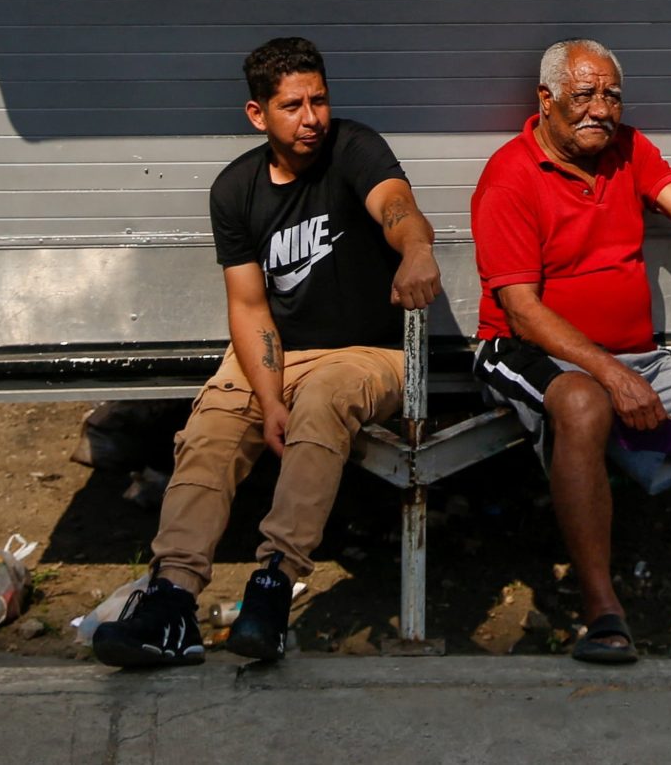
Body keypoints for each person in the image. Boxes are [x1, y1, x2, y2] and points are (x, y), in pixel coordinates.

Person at [93, 37, 439, 669]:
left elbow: (396, 207)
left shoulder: (354, 148)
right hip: (281, 352)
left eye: (319, 101)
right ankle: (172, 602)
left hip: (369, 353)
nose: (311, 119)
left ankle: (274, 586)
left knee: (325, 403)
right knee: (210, 430)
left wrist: (416, 249)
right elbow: (250, 309)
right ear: (258, 115)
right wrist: (268, 394)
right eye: (292, 106)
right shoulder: (236, 190)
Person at [469, 38, 671, 662]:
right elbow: (522, 311)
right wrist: (614, 376)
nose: (600, 110)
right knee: (585, 405)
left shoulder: (629, 150)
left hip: (632, 357)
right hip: (520, 350)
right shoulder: (510, 175)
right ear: (548, 99)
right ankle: (602, 614)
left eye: (611, 95)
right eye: (584, 95)